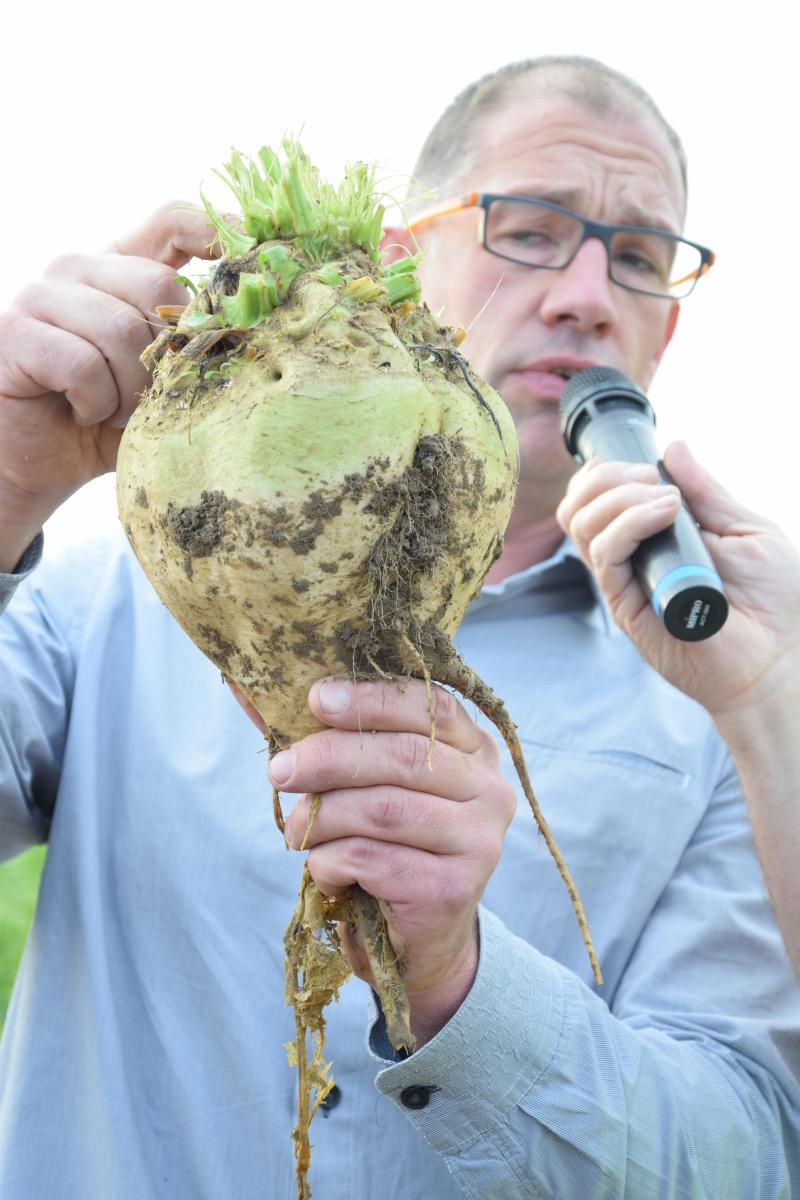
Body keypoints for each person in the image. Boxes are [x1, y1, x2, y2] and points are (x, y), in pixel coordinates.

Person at [1, 53, 798, 1198]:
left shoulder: (723, 697)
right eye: (529, 227)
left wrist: (460, 982)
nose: (587, 293)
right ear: (396, 269)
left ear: (661, 338)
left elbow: (742, 1158)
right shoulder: (110, 589)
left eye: (636, 257)